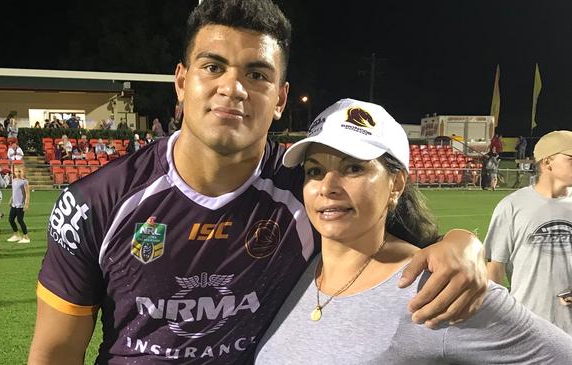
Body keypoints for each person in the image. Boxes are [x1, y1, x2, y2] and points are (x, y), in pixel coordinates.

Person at [28, 1, 487, 363]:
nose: (234, 87)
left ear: (281, 97)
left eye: (257, 74)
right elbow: (55, 353)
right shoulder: (97, 201)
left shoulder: (306, 187)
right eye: (213, 67)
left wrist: (465, 244)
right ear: (181, 82)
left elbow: (399, 241)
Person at [255, 99, 572, 364]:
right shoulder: (292, 264)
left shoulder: (438, 285)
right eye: (315, 171)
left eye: (353, 168)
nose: (327, 187)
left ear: (396, 184)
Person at [485, 130, 572, 334]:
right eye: (570, 159)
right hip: (528, 327)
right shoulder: (512, 206)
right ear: (547, 162)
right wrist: (490, 320)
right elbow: (495, 269)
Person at [7, 167, 30, 244]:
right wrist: (11, 199)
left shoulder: (24, 181)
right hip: (14, 204)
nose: (18, 173)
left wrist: (26, 203)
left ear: (22, 172)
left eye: (19, 171)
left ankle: (26, 237)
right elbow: (14, 192)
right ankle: (16, 235)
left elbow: (27, 193)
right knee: (11, 219)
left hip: (20, 204)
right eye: (16, 171)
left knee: (20, 220)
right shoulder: (13, 181)